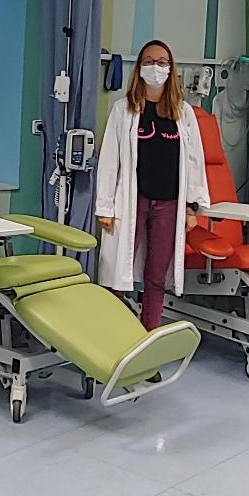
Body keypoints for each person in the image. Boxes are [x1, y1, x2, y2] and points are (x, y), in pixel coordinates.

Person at [96, 40, 210, 332]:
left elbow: (194, 160)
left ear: (171, 69)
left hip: (169, 204)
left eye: (161, 62)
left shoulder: (183, 112)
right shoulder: (124, 110)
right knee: (117, 271)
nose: (155, 68)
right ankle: (109, 333)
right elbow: (109, 160)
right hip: (132, 200)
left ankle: (149, 335)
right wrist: (104, 206)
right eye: (148, 61)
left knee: (156, 275)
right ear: (139, 68)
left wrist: (191, 207)